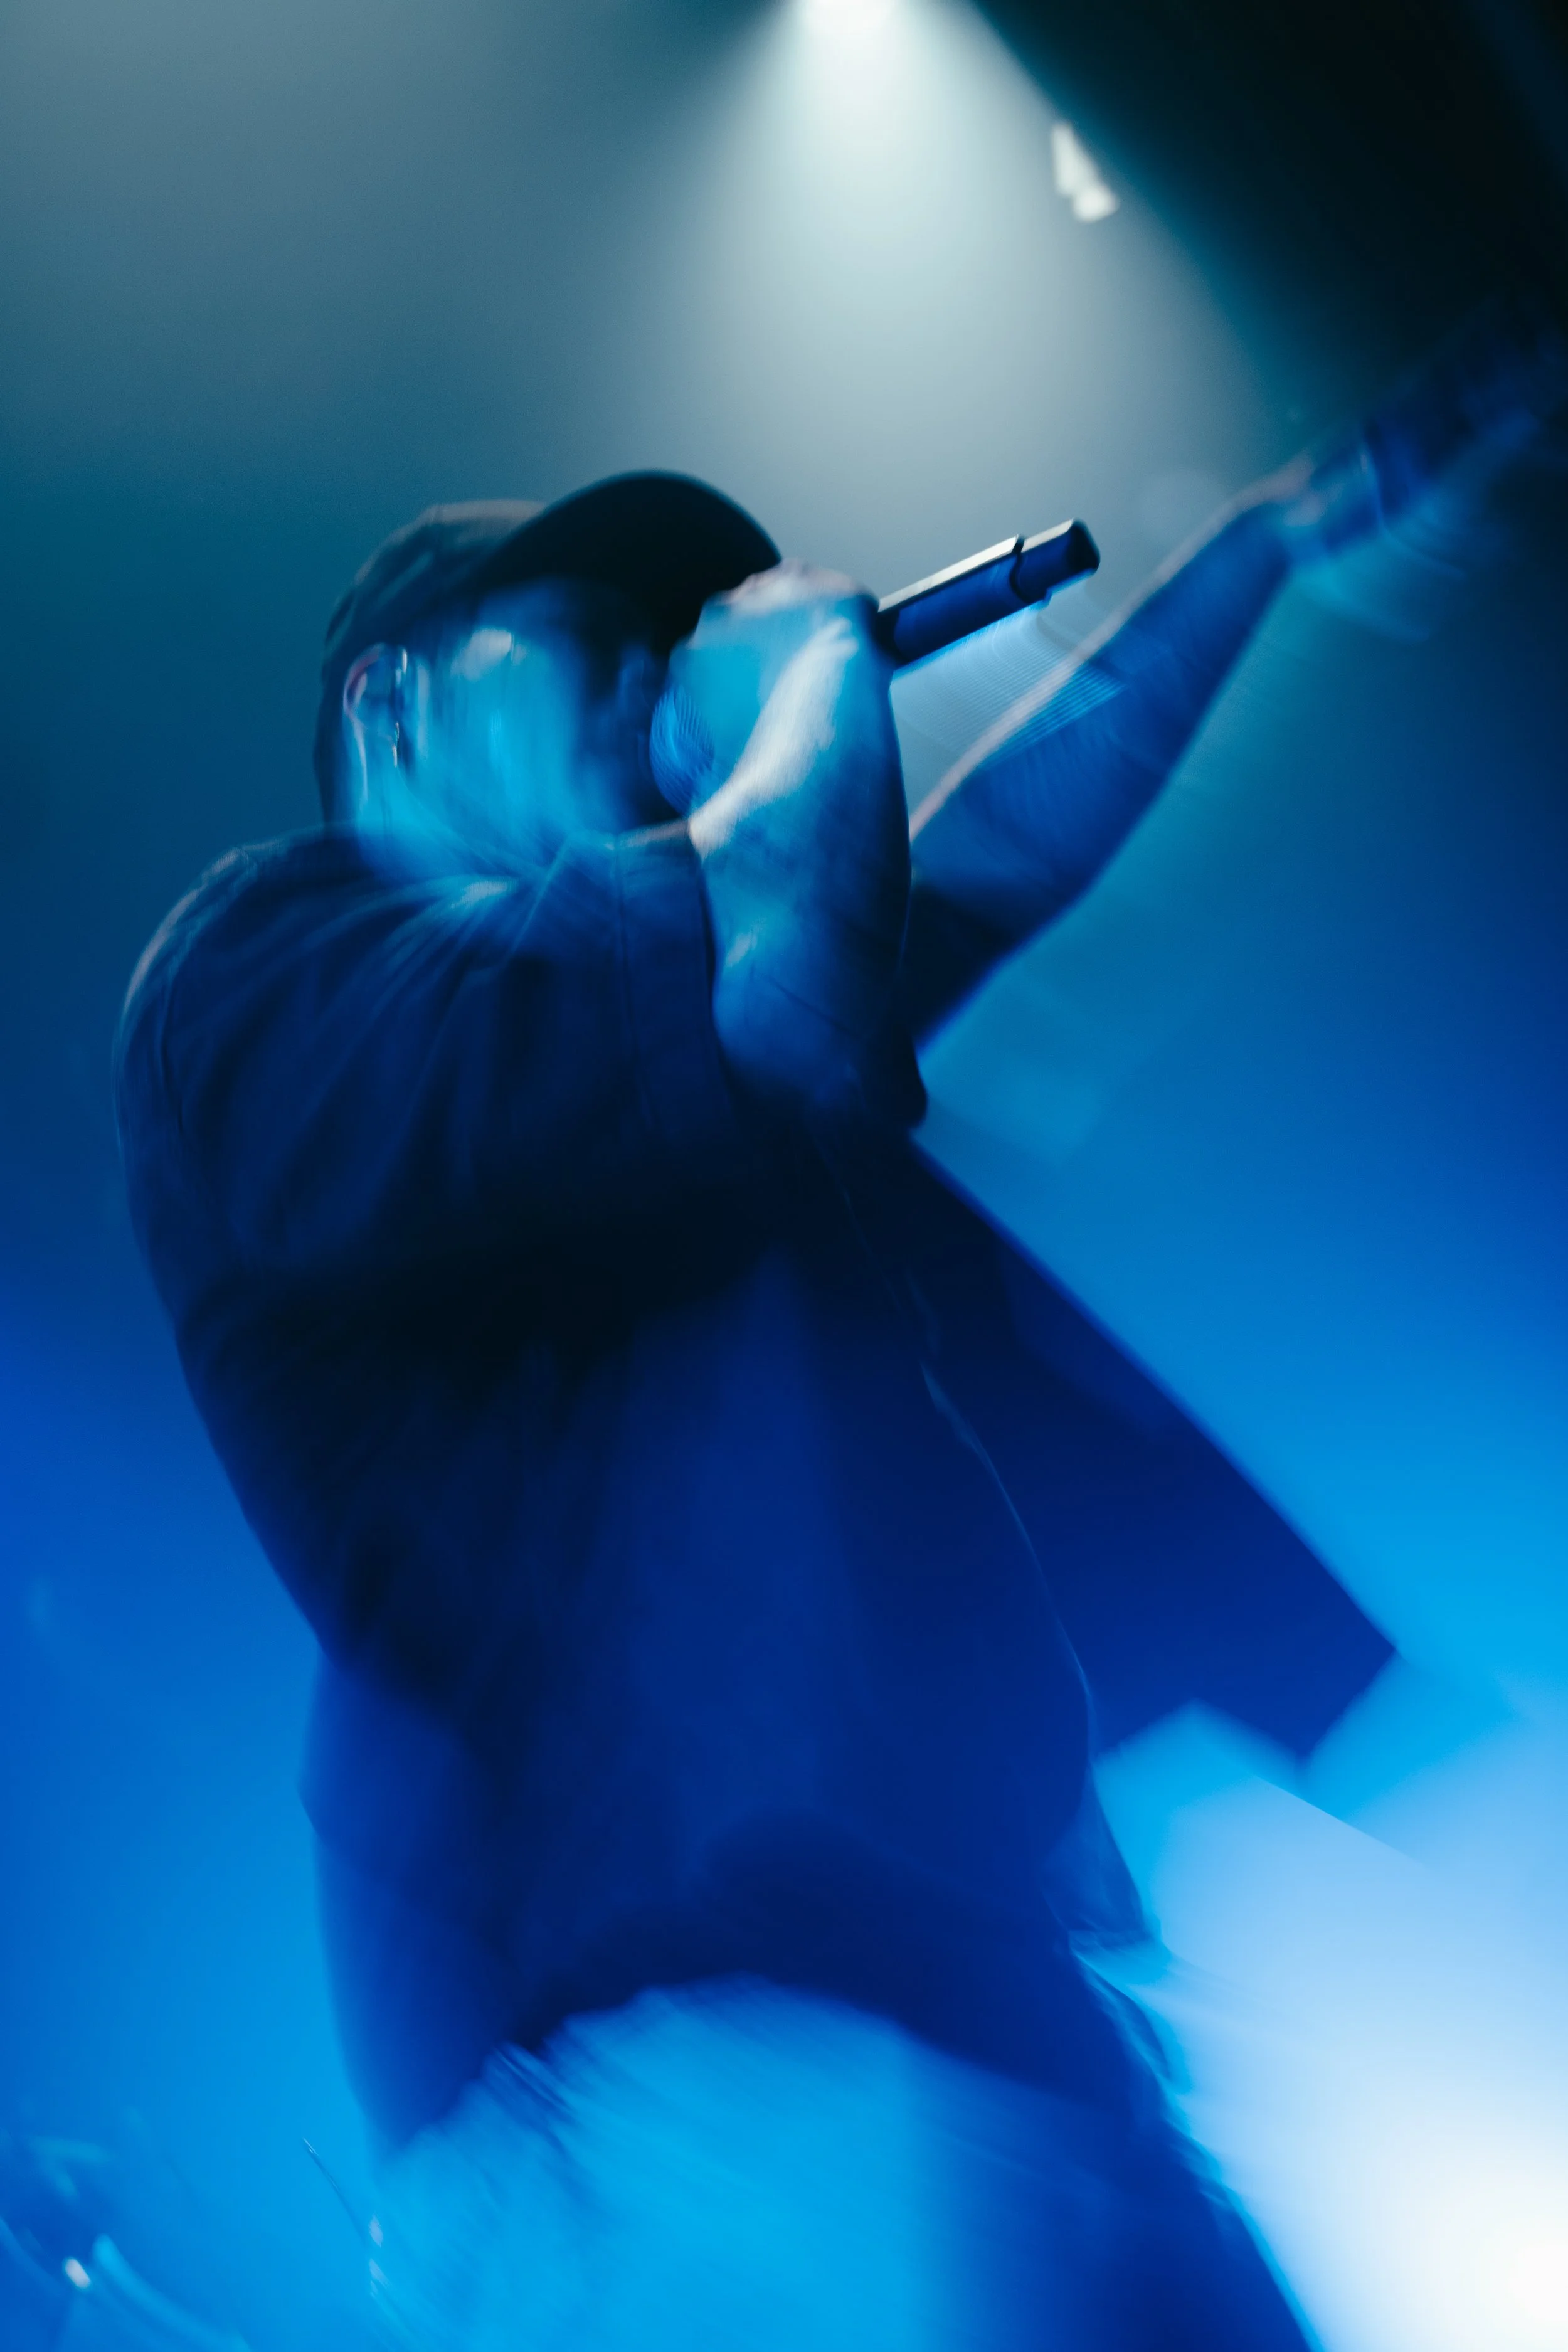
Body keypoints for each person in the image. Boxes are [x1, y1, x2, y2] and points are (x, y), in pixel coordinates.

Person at [114, 317, 1557, 2349]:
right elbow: (785, 962)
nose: (648, 669)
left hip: (970, 2016)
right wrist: (799, 693)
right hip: (672, 2077)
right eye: (585, 634)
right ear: (396, 697)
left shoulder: (675, 1004)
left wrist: (1266, 548)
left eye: (673, 636)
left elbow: (975, 858)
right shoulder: (278, 974)